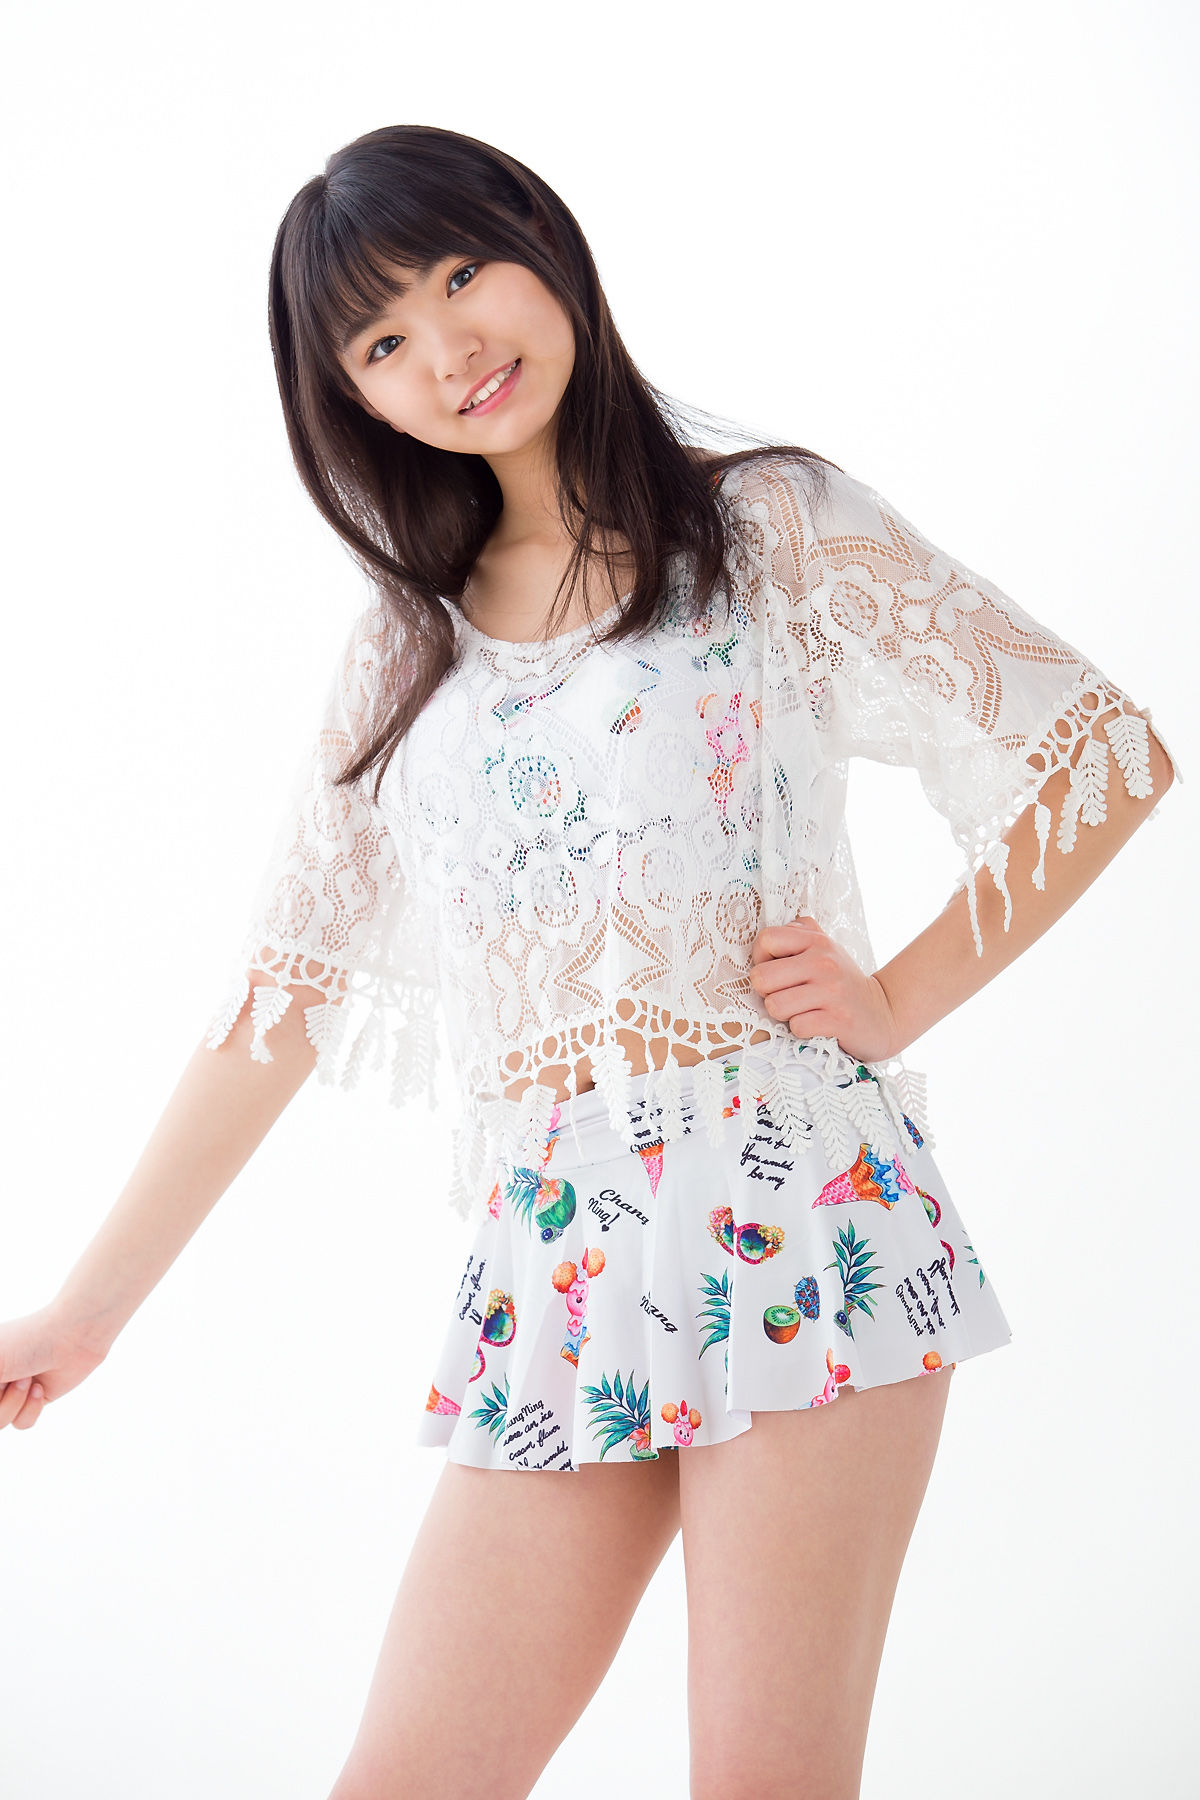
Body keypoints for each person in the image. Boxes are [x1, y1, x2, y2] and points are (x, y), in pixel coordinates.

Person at [0, 123, 1181, 1800]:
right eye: (382, 340)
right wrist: (83, 1312)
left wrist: (896, 997)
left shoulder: (767, 521)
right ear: (352, 399)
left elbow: (1098, 754)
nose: (447, 350)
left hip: (803, 1211)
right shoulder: (408, 647)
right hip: (560, 1256)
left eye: (459, 275)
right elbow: (281, 998)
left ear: (540, 241)